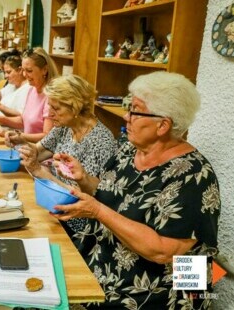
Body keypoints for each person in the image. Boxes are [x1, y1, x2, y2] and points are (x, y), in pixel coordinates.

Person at [53, 71, 220, 309]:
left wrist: (97, 211)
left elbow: (164, 252)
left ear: (163, 125)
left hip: (156, 290)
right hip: (102, 261)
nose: (126, 116)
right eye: (127, 107)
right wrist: (84, 179)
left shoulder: (193, 176)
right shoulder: (129, 150)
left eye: (135, 110)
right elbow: (115, 195)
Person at [12, 75, 117, 239]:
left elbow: (85, 198)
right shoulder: (65, 126)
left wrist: (39, 171)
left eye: (56, 108)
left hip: (76, 226)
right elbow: (38, 152)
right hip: (53, 207)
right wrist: (19, 141)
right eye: (49, 107)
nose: (50, 113)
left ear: (75, 107)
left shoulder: (101, 141)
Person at [0, 47, 59, 143]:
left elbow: (47, 136)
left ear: (44, 70)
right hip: (27, 149)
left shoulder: (50, 97)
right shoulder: (32, 90)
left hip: (38, 153)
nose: (24, 74)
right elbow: (23, 121)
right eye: (23, 70)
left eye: (29, 71)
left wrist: (19, 136)